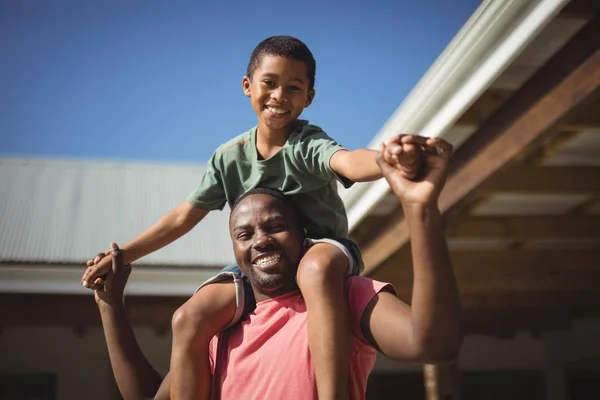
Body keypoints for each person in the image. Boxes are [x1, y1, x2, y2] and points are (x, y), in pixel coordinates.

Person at [82, 36, 423, 400]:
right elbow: (183, 216)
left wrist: (387, 161)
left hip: (323, 247)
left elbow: (349, 161)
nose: (279, 95)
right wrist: (123, 256)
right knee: (187, 317)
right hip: (261, 261)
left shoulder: (307, 144)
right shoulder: (229, 157)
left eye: (294, 87)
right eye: (270, 83)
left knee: (315, 270)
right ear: (248, 86)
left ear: (309, 97)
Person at [93, 137, 462, 400]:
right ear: (234, 249)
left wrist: (420, 210)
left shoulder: (342, 297)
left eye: (274, 227)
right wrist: (110, 306)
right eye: (244, 234)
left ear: (305, 237)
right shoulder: (217, 331)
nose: (260, 241)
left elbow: (434, 344)